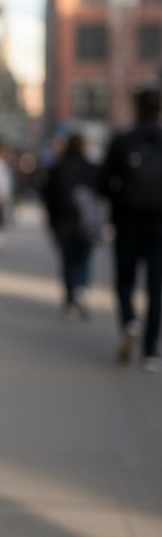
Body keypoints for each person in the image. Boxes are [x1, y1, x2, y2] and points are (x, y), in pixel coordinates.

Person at [99, 85, 162, 371]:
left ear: (136, 108)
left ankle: (129, 322)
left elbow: (103, 183)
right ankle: (150, 352)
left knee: (125, 282)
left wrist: (120, 199)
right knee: (155, 288)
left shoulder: (123, 141)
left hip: (126, 224)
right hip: (159, 226)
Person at [41, 131, 101, 319]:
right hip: (85, 223)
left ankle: (70, 299)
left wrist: (52, 224)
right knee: (83, 259)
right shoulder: (91, 168)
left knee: (68, 262)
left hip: (64, 223)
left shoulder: (58, 168)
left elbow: (49, 199)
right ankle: (80, 291)